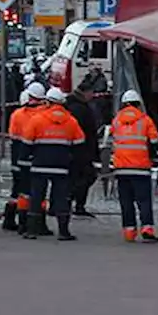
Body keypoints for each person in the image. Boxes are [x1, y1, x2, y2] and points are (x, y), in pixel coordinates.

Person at [23, 86, 84, 241]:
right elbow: (79, 143)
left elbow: (27, 142)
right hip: (62, 166)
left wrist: (27, 158)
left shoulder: (37, 119)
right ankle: (63, 232)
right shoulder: (71, 121)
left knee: (37, 197)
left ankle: (31, 230)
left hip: (39, 164)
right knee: (61, 198)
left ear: (47, 102)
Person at [110, 89, 158, 243]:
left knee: (126, 201)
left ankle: (129, 231)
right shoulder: (145, 120)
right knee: (144, 200)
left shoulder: (117, 120)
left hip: (121, 168)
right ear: (139, 104)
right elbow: (154, 141)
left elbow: (113, 139)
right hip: (141, 167)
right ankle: (147, 228)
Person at [5, 84, 44, 234]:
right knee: (36, 191)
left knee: (18, 190)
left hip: (18, 157)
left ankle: (12, 219)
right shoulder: (42, 115)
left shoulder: (17, 114)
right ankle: (35, 222)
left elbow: (13, 136)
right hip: (36, 157)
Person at [64, 81, 99, 217]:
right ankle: (73, 202)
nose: (93, 95)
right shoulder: (79, 108)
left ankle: (73, 203)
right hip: (81, 150)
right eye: (91, 93)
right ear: (85, 92)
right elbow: (86, 131)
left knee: (78, 177)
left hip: (77, 149)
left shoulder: (75, 105)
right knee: (86, 176)